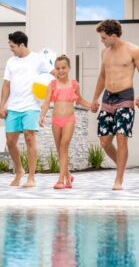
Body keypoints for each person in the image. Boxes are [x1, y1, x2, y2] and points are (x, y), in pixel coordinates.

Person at [90, 19, 139, 190]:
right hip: (107, 98)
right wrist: (95, 99)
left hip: (125, 98)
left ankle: (119, 179)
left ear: (113, 36)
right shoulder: (105, 52)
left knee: (122, 138)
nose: (102, 41)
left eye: (103, 38)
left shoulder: (133, 50)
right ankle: (121, 164)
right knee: (105, 142)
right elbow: (102, 76)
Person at [0, 30, 52, 188]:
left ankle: (31, 177)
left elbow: (52, 75)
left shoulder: (38, 59)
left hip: (31, 105)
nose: (11, 49)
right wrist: (2, 105)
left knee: (29, 137)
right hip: (13, 106)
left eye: (13, 46)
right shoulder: (11, 62)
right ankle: (19, 170)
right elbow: (6, 84)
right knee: (10, 141)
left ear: (22, 45)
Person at [38, 55, 92, 189]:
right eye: (57, 68)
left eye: (63, 68)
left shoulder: (74, 84)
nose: (60, 71)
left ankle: (60, 180)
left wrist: (92, 105)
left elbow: (79, 100)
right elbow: (45, 103)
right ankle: (68, 176)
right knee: (60, 150)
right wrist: (42, 116)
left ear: (69, 68)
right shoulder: (52, 84)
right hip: (56, 120)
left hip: (69, 120)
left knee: (63, 147)